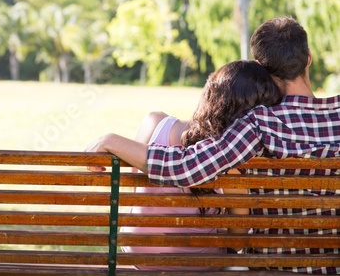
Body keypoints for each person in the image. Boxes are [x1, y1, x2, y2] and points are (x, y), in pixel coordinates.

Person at [85, 16, 340, 274]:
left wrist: (110, 140)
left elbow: (185, 167)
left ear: (261, 67)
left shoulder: (259, 124)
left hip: (274, 269)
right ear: (308, 58)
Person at [120, 60, 280, 271]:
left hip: (138, 253)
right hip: (199, 263)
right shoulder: (231, 158)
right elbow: (238, 238)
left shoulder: (154, 122)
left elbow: (132, 187)